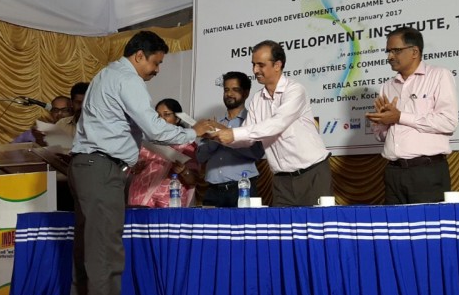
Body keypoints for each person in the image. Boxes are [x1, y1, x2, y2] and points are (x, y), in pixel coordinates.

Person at [67, 30, 211, 295]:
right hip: (101, 171)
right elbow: (154, 129)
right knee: (106, 262)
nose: (156, 70)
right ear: (139, 56)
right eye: (155, 63)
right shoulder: (128, 79)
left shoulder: (105, 75)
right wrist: (193, 131)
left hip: (85, 168)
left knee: (87, 260)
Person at [210, 40, 331, 207]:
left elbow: (277, 124)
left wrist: (233, 133)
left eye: (261, 65)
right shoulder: (257, 99)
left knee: (317, 223)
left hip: (312, 173)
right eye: (253, 64)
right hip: (281, 180)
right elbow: (247, 138)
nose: (255, 70)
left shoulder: (295, 90)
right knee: (282, 224)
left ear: (277, 65)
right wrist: (217, 136)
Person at [366, 26, 459, 204]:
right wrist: (382, 123)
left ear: (414, 52)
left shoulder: (439, 76)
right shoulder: (388, 86)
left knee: (428, 222)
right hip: (393, 172)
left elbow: (448, 122)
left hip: (426, 171)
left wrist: (399, 117)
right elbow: (382, 136)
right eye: (388, 51)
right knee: (394, 222)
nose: (390, 56)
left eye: (396, 50)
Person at [197, 71, 264, 207]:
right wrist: (214, 138)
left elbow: (256, 152)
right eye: (226, 90)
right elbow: (200, 157)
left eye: (235, 90)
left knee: (244, 222)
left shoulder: (252, 122)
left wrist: (223, 132)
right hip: (212, 190)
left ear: (246, 93)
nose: (229, 94)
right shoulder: (214, 123)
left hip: (242, 189)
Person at [128, 98, 202, 207]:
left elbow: (194, 180)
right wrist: (135, 168)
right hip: (140, 197)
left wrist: (183, 171)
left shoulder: (187, 145)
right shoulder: (145, 140)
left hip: (170, 202)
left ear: (177, 119)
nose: (161, 119)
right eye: (158, 115)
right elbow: (132, 168)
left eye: (166, 114)